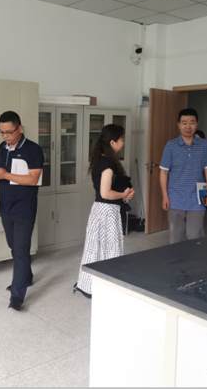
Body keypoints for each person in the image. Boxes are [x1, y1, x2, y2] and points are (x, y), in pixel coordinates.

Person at [0, 111, 43, 311]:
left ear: (20, 128)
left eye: (9, 132)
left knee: (20, 250)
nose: (5, 136)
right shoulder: (2, 148)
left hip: (24, 209)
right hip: (5, 207)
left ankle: (17, 297)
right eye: (1, 132)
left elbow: (33, 179)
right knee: (14, 247)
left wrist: (5, 175)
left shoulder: (33, 149)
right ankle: (26, 276)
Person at [74, 124, 135, 298]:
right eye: (122, 139)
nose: (123, 143)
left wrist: (124, 194)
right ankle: (106, 287)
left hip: (101, 210)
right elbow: (106, 193)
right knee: (110, 248)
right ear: (112, 142)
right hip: (107, 211)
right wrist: (123, 194)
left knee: (95, 248)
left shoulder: (102, 160)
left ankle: (88, 285)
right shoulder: (108, 164)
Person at [160, 108, 207, 244]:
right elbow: (164, 172)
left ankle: (196, 258)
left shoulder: (204, 145)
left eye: (191, 122)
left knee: (195, 236)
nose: (188, 126)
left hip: (198, 198)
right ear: (178, 125)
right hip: (175, 197)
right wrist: (165, 196)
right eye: (184, 123)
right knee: (176, 236)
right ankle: (177, 258)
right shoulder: (170, 146)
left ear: (197, 124)